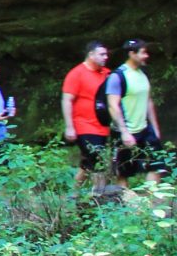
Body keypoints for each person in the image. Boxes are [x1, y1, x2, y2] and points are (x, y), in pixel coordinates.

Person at [107, 38, 166, 183]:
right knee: (124, 172)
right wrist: (124, 132)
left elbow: (148, 101)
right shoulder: (118, 76)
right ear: (132, 54)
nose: (146, 56)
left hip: (145, 128)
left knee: (158, 166)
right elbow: (113, 105)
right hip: (126, 131)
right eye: (143, 53)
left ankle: (150, 196)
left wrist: (155, 129)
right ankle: (125, 197)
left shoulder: (142, 74)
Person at [61, 40, 114, 186]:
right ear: (91, 55)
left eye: (106, 54)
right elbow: (67, 100)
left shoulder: (106, 74)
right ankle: (100, 194)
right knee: (98, 161)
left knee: (88, 162)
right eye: (102, 54)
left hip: (102, 126)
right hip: (84, 125)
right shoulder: (76, 73)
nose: (106, 57)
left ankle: (73, 193)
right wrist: (69, 127)